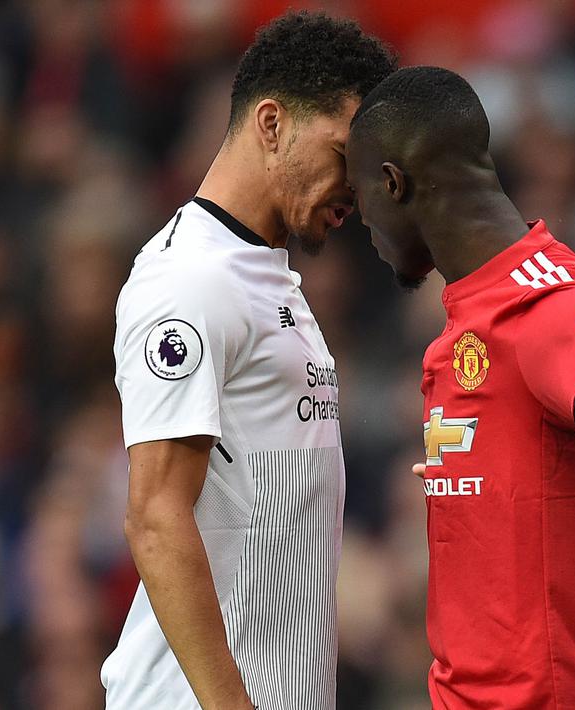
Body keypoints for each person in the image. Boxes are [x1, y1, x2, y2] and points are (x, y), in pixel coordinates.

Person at [346, 66, 575, 708]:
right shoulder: (461, 329)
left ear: (393, 183)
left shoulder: (551, 303)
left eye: (359, 193)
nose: (355, 217)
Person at [105, 12, 395, 709]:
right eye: (342, 154)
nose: (357, 189)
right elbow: (155, 516)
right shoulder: (192, 280)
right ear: (272, 124)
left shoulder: (264, 277)